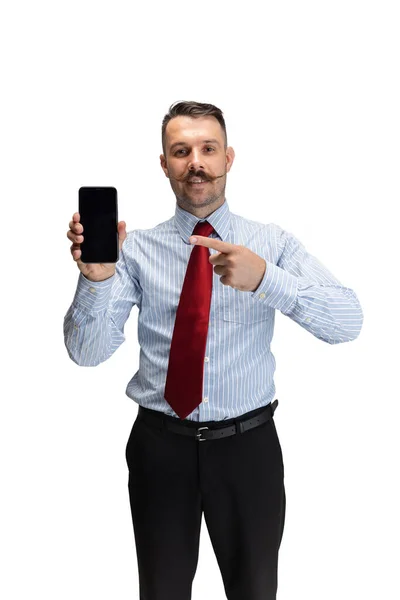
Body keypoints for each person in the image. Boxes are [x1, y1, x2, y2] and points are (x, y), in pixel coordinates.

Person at [64, 100, 363, 600]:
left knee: (254, 591)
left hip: (248, 449)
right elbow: (86, 353)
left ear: (228, 158)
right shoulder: (132, 250)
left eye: (208, 149)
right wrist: (96, 280)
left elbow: (348, 322)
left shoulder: (270, 243)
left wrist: (267, 280)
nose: (195, 162)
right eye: (181, 151)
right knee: (161, 592)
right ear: (164, 164)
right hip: (160, 448)